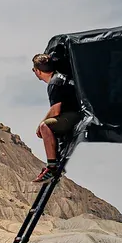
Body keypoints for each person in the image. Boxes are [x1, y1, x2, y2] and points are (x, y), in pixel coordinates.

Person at [32, 52, 80, 182]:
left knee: (45, 126)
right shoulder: (60, 77)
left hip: (73, 116)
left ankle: (52, 167)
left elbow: (55, 110)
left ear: (38, 71)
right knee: (47, 125)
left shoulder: (54, 83)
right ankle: (55, 161)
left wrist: (40, 126)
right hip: (76, 113)